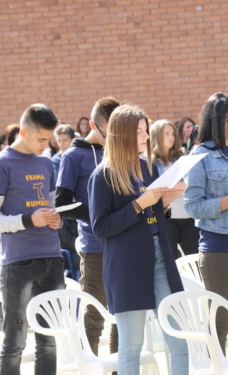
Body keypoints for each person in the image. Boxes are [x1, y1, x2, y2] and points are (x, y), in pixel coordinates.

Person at [88, 104, 188, 375]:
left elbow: (156, 216)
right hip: (127, 265)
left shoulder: (149, 169)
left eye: (146, 130)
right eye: (140, 132)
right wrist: (138, 205)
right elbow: (100, 227)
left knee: (179, 338)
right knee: (132, 346)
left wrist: (165, 203)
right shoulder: (103, 176)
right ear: (121, 135)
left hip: (160, 257)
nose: (145, 137)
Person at [184, 92, 228, 362]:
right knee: (220, 321)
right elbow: (193, 206)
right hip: (217, 248)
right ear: (214, 120)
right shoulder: (200, 155)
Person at [0, 104, 65, 375]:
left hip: (52, 256)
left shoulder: (46, 162)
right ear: (23, 131)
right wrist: (29, 220)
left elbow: (50, 207)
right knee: (15, 341)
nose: (45, 145)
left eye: (48, 140)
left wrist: (56, 220)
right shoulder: (4, 163)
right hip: (18, 263)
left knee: (49, 340)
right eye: (40, 139)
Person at [56, 97, 120, 356]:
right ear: (93, 125)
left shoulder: (116, 152)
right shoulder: (73, 156)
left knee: (122, 317)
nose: (114, 138)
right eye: (110, 132)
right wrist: (98, 214)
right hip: (94, 247)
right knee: (94, 318)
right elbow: (62, 203)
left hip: (122, 243)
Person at [149, 119, 199, 258]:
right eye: (167, 134)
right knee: (170, 262)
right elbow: (154, 190)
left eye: (173, 134)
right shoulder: (150, 162)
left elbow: (192, 183)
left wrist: (171, 188)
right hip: (167, 220)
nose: (171, 137)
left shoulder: (182, 157)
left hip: (188, 216)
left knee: (194, 261)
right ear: (157, 136)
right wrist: (178, 188)